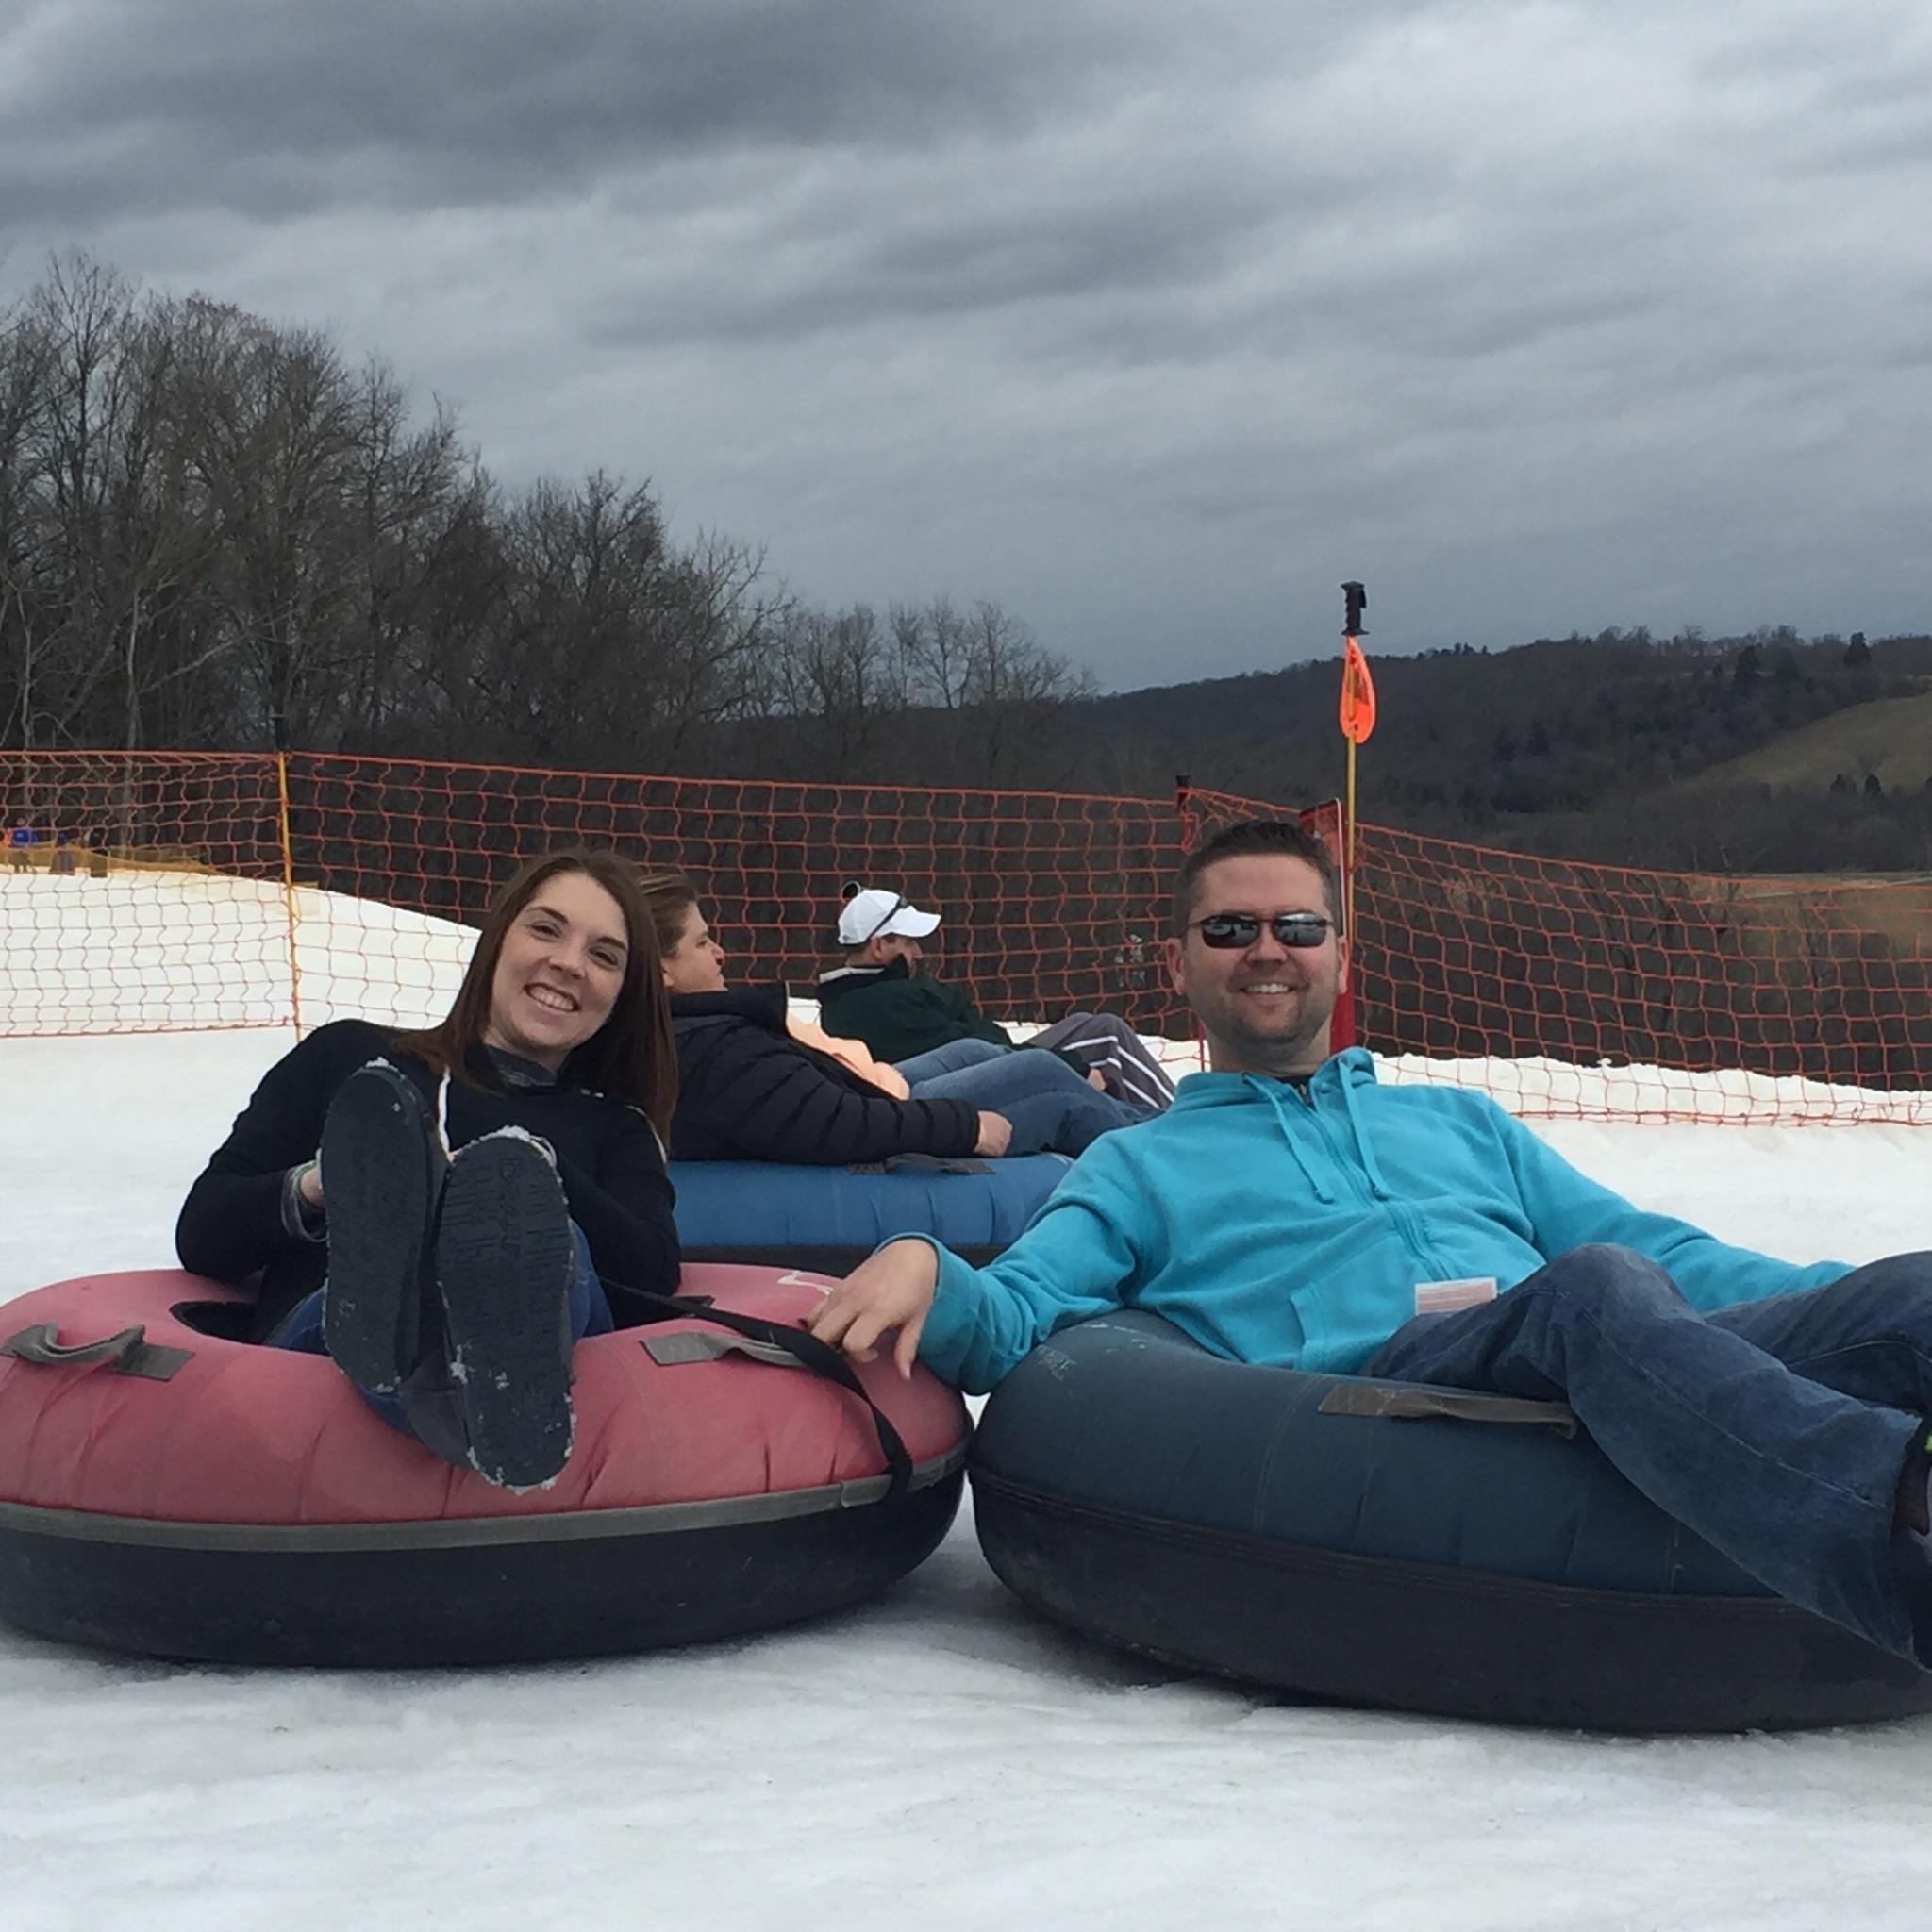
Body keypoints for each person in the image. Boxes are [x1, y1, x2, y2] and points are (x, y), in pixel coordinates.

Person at [808, 818, 1932, 1667]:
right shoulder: (1136, 1164)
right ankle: (1902, 1537)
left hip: (1593, 1341)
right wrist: (927, 1265)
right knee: (1589, 1288)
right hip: (1400, 1393)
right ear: (1177, 965)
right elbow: (1020, 1312)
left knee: (1904, 1294)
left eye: (1296, 927)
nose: (1266, 950)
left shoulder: (1458, 1121)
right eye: (1229, 929)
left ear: (1340, 956)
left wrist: (1852, 1302)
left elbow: (1661, 1251)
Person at [176, 848, 680, 1489]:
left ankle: (476, 1347)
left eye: (604, 956)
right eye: (545, 929)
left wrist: (532, 1171)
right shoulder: (359, 1068)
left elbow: (652, 1276)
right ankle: (411, 1304)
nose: (569, 962)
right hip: (319, 1368)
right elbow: (204, 1232)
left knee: (532, 1228)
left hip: (527, 1358)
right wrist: (332, 1184)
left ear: (622, 995)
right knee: (419, 1256)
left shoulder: (615, 1128)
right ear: (497, 940)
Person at [642, 871, 1150, 1162]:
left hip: (866, 1081)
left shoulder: (700, 1028)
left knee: (989, 1052)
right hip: (877, 1101)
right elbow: (835, 1121)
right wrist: (963, 1126)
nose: (720, 953)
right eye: (702, 943)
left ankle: (1163, 1129)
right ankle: (1163, 1146)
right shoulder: (717, 1049)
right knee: (1053, 1069)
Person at [816, 885, 1177, 1111]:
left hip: (989, 1063)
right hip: (987, 1079)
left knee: (1089, 1025)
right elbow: (976, 1051)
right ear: (880, 946)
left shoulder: (857, 998)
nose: (918, 953)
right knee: (1108, 1037)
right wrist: (1076, 1068)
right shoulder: (885, 1005)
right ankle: (1180, 1127)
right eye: (909, 943)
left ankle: (1156, 1126)